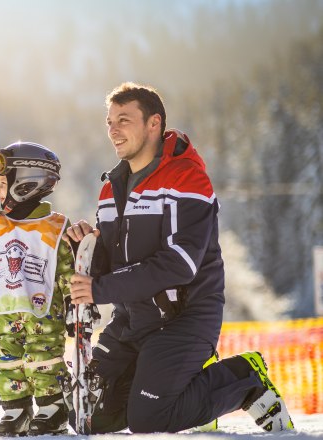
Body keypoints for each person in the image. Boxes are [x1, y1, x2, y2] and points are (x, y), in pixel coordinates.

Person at [65, 82, 295, 433]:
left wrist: (100, 289)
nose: (113, 130)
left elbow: (179, 264)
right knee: (87, 417)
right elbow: (112, 266)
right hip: (133, 321)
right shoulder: (111, 188)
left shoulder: (187, 178)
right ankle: (183, 396)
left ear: (153, 123)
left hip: (184, 320)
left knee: (149, 420)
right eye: (109, 121)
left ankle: (245, 378)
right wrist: (85, 250)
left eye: (124, 119)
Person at [0, 141, 75, 436]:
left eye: (2, 183)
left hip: (44, 313)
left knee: (44, 357)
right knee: (6, 358)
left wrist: (74, 307)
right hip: (7, 309)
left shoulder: (53, 228)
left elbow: (67, 270)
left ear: (25, 185)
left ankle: (52, 408)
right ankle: (16, 409)